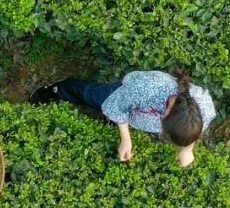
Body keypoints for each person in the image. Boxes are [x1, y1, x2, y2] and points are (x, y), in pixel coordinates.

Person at [29, 68, 215, 169]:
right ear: (165, 112)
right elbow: (116, 106)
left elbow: (191, 130)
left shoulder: (203, 111)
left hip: (139, 112)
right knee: (93, 95)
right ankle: (59, 88)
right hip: (122, 94)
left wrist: (187, 150)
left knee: (112, 110)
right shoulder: (148, 87)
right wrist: (126, 139)